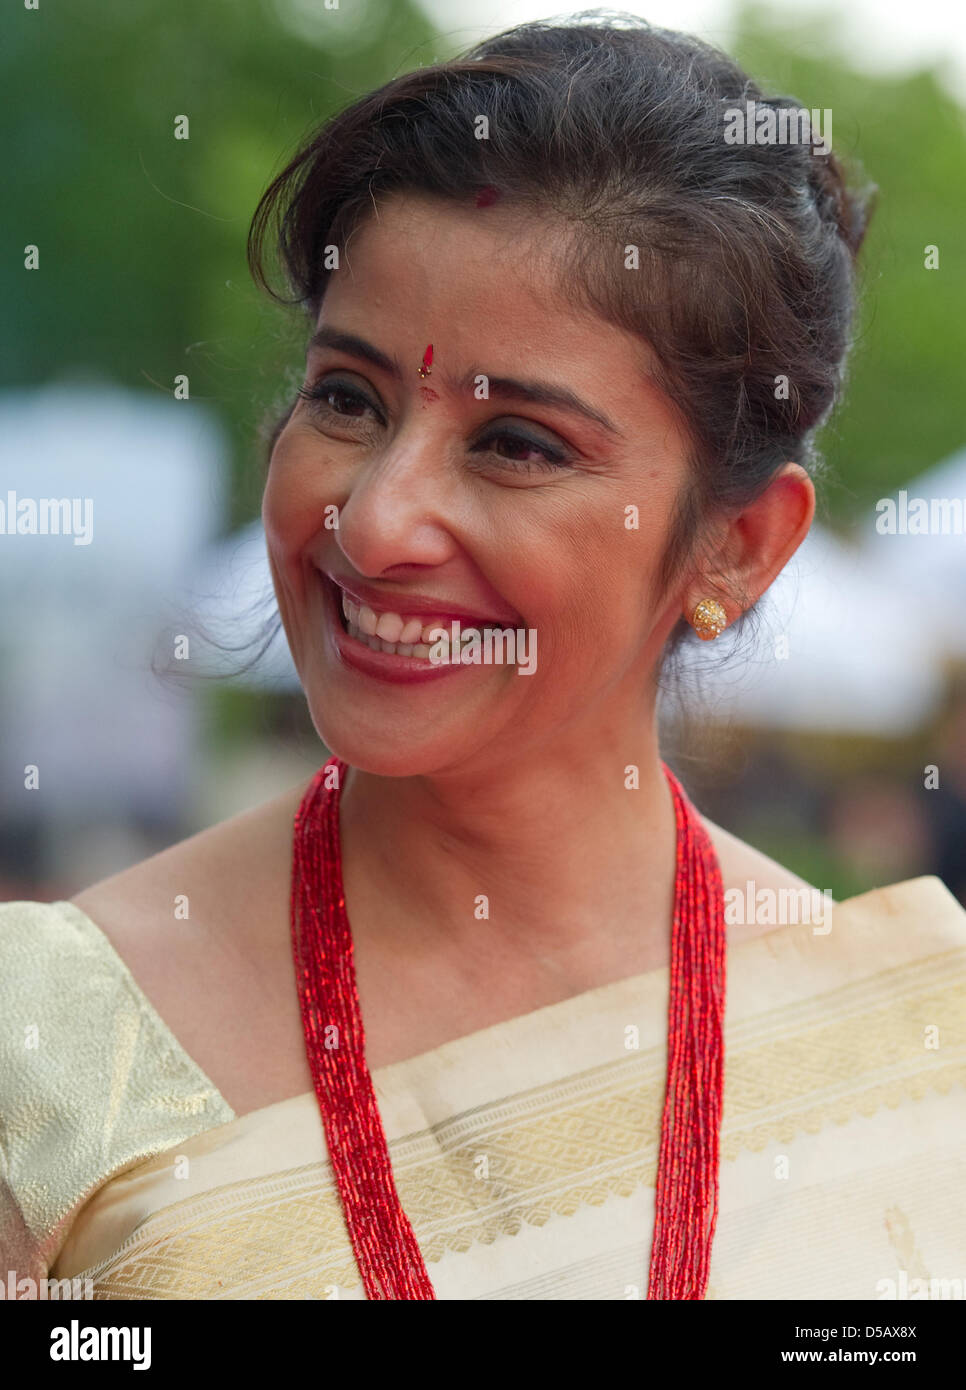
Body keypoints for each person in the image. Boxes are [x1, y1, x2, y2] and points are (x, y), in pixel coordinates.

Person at [2, 13, 964, 1302]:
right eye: (348, 398)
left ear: (736, 546)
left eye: (519, 443)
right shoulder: (52, 1055)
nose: (379, 521)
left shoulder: (913, 1049)